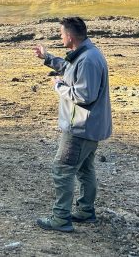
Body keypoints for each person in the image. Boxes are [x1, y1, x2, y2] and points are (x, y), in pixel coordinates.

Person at [33, 17, 112, 232]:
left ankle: (60, 219)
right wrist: (47, 58)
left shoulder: (87, 59)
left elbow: (84, 95)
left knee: (63, 169)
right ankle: (85, 212)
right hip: (89, 126)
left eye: (61, 33)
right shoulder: (85, 54)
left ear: (70, 36)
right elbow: (69, 68)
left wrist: (58, 86)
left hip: (80, 127)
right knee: (85, 169)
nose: (60, 37)